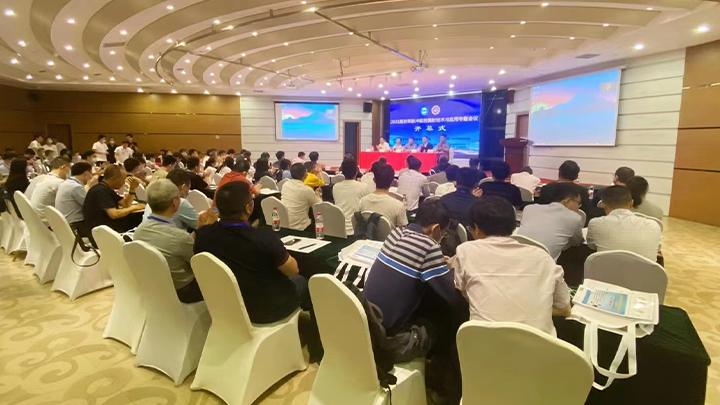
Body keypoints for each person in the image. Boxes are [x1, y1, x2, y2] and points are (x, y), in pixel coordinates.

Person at [454, 196, 571, 336]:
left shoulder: (466, 251)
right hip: (539, 346)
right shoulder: (543, 257)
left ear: (477, 228)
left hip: (482, 344)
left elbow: (465, 293)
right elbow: (564, 309)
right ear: (513, 225)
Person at [195, 181, 307, 323]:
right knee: (303, 280)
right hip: (266, 310)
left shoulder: (203, 235)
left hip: (225, 306)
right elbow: (293, 270)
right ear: (248, 208)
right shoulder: (264, 238)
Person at [364, 198, 462, 337]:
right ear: (435, 228)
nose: (444, 236)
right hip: (390, 336)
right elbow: (450, 295)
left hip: (367, 319)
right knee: (442, 318)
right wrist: (453, 266)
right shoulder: (429, 247)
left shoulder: (395, 233)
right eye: (444, 232)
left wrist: (437, 261)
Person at [135, 180, 216, 303]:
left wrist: (199, 230)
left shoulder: (139, 231)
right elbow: (200, 265)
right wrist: (208, 231)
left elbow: (178, 244)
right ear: (175, 202)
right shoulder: (180, 237)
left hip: (154, 285)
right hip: (183, 291)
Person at [587, 186, 662, 261]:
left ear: (604, 206)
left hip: (606, 268)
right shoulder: (653, 225)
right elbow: (657, 248)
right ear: (631, 204)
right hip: (645, 269)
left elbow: (592, 246)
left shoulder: (595, 223)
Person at [517, 184, 584, 260]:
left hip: (517, 255)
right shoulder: (575, 218)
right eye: (578, 203)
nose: (578, 208)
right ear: (567, 200)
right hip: (545, 262)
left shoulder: (529, 208)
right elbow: (577, 242)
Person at [83, 165, 146, 246]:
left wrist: (132, 189)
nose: (124, 183)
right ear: (114, 178)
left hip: (105, 228)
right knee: (138, 220)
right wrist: (134, 208)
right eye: (123, 179)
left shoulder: (106, 188)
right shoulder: (100, 191)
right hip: (101, 235)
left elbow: (126, 204)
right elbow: (114, 214)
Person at [333, 158, 371, 234]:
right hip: (356, 230)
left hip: (338, 230)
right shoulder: (364, 187)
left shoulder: (335, 187)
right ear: (357, 171)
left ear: (342, 171)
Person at [55, 162, 93, 234]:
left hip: (65, 223)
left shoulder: (66, 183)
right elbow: (90, 206)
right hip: (75, 225)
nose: (91, 177)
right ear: (86, 173)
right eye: (91, 173)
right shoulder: (76, 187)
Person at [282, 163, 322, 231]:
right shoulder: (306, 189)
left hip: (285, 224)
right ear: (305, 174)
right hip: (301, 227)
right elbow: (318, 205)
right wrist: (318, 196)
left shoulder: (285, 185)